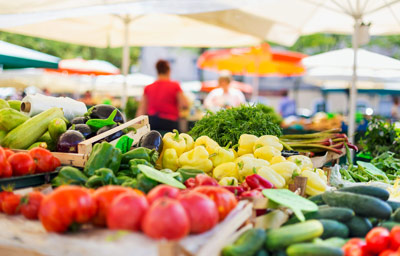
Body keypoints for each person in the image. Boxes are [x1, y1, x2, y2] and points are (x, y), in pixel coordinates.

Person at [136, 59, 188, 131]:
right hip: (170, 123)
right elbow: (184, 104)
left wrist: (137, 125)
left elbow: (142, 109)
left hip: (152, 122)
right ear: (168, 71)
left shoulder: (148, 87)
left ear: (157, 71)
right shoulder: (175, 86)